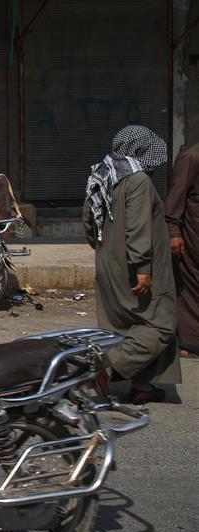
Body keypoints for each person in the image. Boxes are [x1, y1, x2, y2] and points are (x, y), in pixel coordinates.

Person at [83, 125, 179, 404]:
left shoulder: (101, 174)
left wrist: (104, 252)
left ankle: (143, 387)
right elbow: (138, 226)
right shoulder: (138, 181)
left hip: (109, 264)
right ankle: (105, 365)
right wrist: (143, 267)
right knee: (161, 326)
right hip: (139, 266)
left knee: (127, 326)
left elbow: (89, 222)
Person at [165, 143, 198, 357]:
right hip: (193, 233)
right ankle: (190, 342)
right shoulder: (191, 157)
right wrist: (174, 232)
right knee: (191, 286)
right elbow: (176, 197)